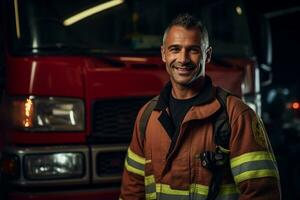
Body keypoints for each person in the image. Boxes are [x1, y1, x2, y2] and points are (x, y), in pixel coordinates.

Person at [120, 13, 281, 200]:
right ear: (164, 54)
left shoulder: (236, 115)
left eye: (193, 50)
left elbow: (261, 194)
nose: (183, 59)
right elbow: (132, 190)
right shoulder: (147, 116)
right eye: (175, 49)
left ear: (208, 55)